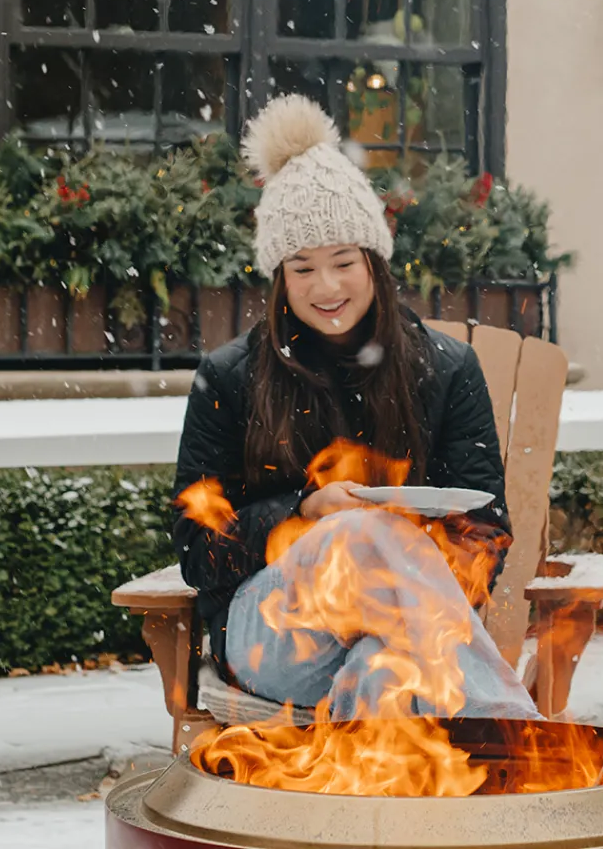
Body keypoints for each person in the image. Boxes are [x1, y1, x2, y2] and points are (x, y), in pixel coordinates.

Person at [172, 93, 537, 722]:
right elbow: (196, 547)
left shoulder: (445, 370)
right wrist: (302, 513)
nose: (327, 286)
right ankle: (508, 727)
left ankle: (362, 790)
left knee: (380, 666)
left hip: (408, 633)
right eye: (302, 268)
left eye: (343, 261)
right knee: (362, 531)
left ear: (373, 262)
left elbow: (485, 528)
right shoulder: (231, 378)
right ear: (279, 278)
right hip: (276, 635)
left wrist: (412, 554)